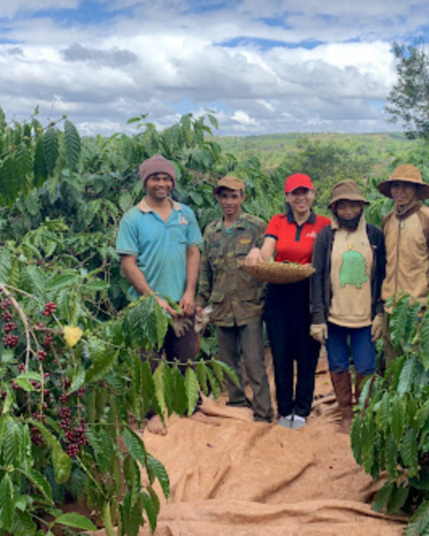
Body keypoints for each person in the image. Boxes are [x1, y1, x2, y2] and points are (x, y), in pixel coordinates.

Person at [115, 153, 218, 435]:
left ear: (172, 182)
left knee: (185, 358)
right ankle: (153, 413)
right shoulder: (133, 218)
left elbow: (193, 252)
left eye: (165, 178)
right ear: (145, 182)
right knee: (149, 362)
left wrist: (189, 293)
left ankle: (190, 407)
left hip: (181, 303)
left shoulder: (185, 214)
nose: (161, 183)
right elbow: (128, 264)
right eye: (155, 178)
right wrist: (153, 298)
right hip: (147, 307)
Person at [245, 173, 331, 430]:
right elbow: (267, 251)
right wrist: (256, 252)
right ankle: (284, 409)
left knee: (307, 354)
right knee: (281, 353)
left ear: (313, 194)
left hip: (310, 295)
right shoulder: (278, 221)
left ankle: (302, 409)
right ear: (287, 197)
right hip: (279, 293)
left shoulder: (324, 224)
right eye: (295, 193)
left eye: (305, 192)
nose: (300, 197)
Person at [309, 179, 385, 434]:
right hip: (334, 316)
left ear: (361, 207)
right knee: (338, 364)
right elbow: (317, 276)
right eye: (343, 206)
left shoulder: (373, 235)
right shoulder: (326, 236)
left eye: (354, 205)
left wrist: (380, 312)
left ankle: (364, 413)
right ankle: (346, 414)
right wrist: (318, 317)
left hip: (364, 316)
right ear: (334, 208)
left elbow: (382, 275)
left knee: (366, 366)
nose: (349, 210)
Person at [196, 175, 274, 423]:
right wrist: (200, 302)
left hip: (249, 306)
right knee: (228, 362)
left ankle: (263, 412)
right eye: (224, 196)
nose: (229, 201)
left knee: (254, 361)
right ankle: (237, 403)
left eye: (234, 196)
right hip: (222, 307)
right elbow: (206, 270)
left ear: (243, 197)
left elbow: (268, 264)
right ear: (217, 198)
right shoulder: (211, 231)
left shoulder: (256, 226)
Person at [377, 164, 429, 363]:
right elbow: (384, 264)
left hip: (418, 311)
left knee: (416, 367)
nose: (400, 191)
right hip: (390, 310)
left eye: (406, 186)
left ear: (417, 190)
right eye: (396, 186)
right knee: (393, 368)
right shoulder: (388, 220)